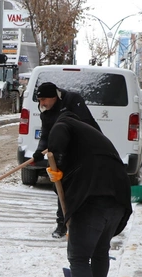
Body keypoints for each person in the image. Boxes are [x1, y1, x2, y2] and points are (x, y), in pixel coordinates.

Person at [46, 111, 132, 277]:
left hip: (94, 198)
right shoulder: (92, 135)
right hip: (119, 199)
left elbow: (56, 143)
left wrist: (54, 156)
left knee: (79, 257)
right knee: (100, 251)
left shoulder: (64, 123)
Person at [33, 81, 102, 238]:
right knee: (61, 186)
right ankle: (62, 225)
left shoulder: (72, 100)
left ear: (54, 97)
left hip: (84, 148)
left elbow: (87, 124)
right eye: (39, 100)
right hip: (64, 150)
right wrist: (38, 152)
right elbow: (46, 136)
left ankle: (85, 223)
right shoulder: (47, 113)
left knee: (83, 188)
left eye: (44, 100)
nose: (41, 104)